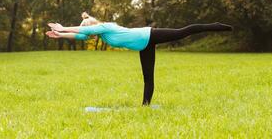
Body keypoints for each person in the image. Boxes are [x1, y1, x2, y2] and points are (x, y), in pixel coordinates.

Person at [46, 12, 233, 105]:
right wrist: (60, 35)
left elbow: (85, 30)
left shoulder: (105, 27)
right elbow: (81, 35)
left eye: (90, 30)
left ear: (93, 26)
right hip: (144, 45)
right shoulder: (100, 34)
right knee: (148, 77)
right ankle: (146, 106)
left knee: (183, 32)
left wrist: (63, 28)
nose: (90, 34)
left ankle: (215, 26)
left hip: (150, 35)